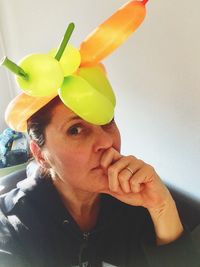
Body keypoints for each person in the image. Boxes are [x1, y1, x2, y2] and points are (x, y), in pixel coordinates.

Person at [0, 2, 199, 266]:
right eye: (76, 129)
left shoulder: (135, 203)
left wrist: (162, 207)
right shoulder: (13, 224)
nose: (107, 142)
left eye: (106, 122)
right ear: (41, 153)